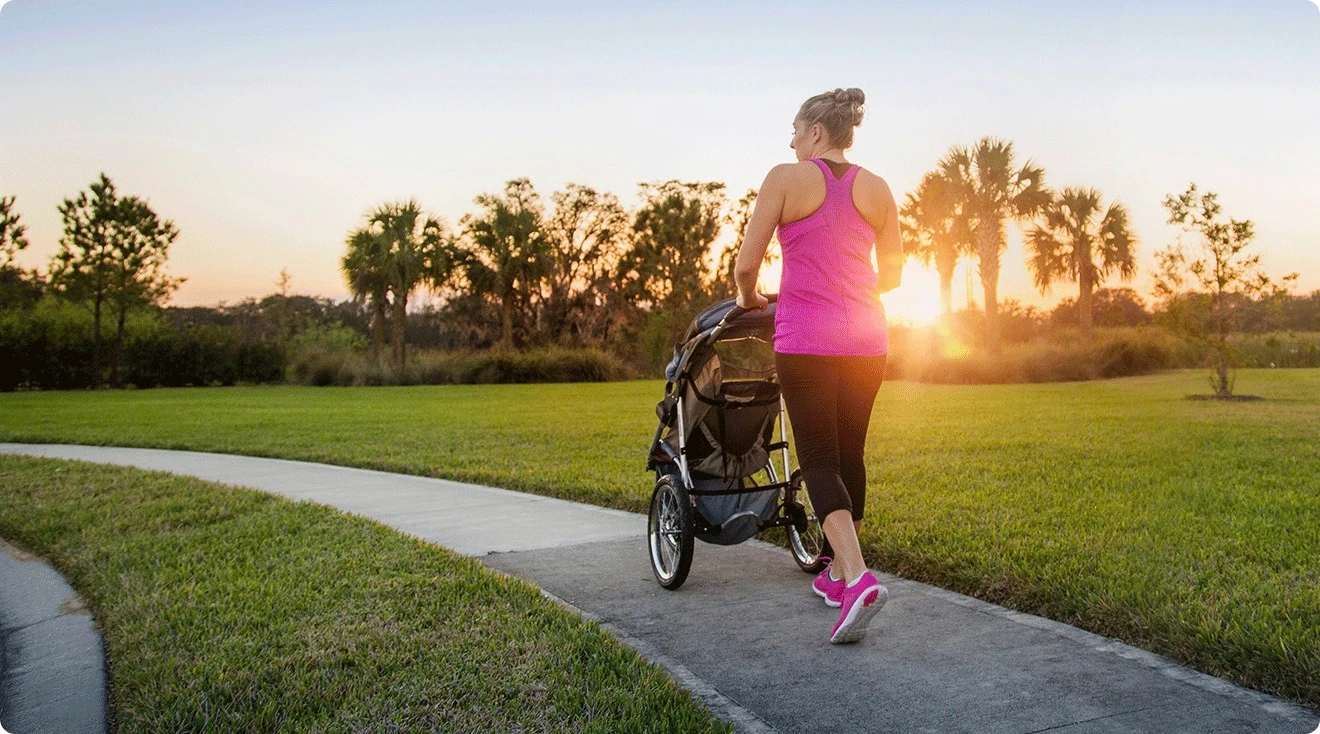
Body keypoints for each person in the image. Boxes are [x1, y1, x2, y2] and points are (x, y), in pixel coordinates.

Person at [732, 87, 902, 644]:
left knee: (819, 459)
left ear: (816, 132)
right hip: (868, 341)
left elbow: (746, 264)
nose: (790, 138)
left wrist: (748, 299)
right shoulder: (877, 188)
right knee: (849, 453)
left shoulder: (784, 177)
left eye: (795, 128)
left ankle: (856, 579)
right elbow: (895, 274)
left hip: (806, 339)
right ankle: (833, 571)